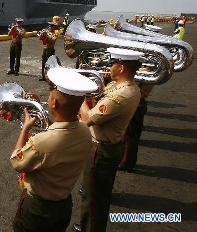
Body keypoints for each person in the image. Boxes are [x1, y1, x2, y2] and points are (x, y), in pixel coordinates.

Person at [10, 67, 98, 232]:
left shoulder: (42, 142)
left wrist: (25, 130)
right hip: (64, 204)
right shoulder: (85, 131)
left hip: (38, 209)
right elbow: (60, 130)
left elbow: (17, 162)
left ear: (54, 103)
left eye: (50, 96)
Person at [73, 47, 143, 232]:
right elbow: (101, 96)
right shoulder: (125, 87)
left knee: (94, 196)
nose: (109, 67)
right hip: (112, 145)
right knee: (100, 191)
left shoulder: (120, 95)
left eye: (112, 64)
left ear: (121, 68)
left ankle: (90, 227)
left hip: (101, 150)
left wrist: (79, 96)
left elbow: (88, 119)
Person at [118, 81, 154, 172]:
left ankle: (126, 162)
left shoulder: (141, 71)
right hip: (137, 103)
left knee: (128, 136)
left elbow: (128, 87)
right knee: (132, 136)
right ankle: (128, 162)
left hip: (134, 104)